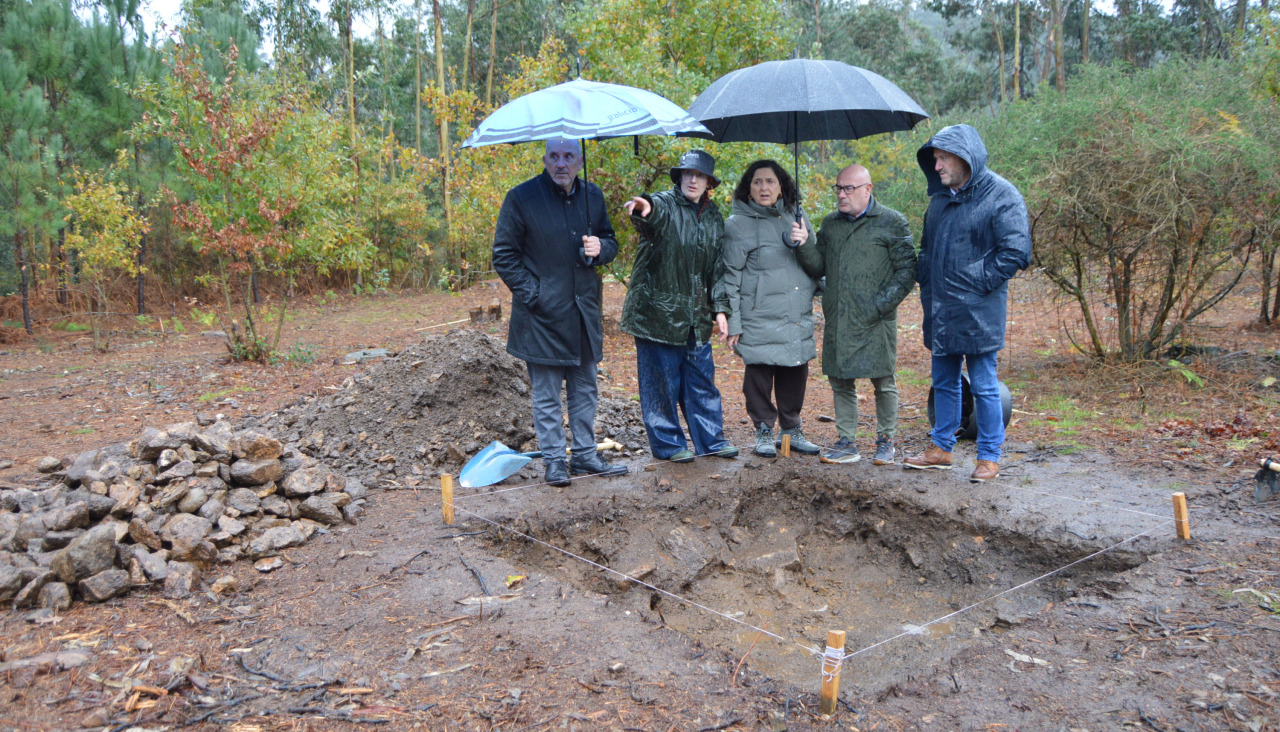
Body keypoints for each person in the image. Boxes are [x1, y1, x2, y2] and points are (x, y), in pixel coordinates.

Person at [492, 139, 628, 487]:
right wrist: (535, 295)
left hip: (584, 313)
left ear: (579, 160)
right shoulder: (521, 198)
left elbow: (610, 241)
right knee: (547, 394)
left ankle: (584, 454)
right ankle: (554, 460)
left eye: (568, 156)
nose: (561, 163)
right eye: (554, 156)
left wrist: (601, 249)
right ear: (545, 159)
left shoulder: (592, 196)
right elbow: (504, 255)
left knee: (585, 390)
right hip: (540, 319)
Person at [904, 124, 1032, 483]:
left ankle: (989, 456)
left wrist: (977, 282)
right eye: (935, 159)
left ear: (965, 158)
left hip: (979, 311)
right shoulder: (939, 202)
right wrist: (926, 282)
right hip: (941, 310)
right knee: (943, 381)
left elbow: (1016, 252)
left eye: (944, 158)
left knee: (984, 384)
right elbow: (927, 251)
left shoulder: (1002, 195)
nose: (938, 166)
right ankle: (941, 448)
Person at [621, 150, 739, 463]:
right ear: (680, 177)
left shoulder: (714, 217)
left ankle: (711, 441)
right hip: (655, 315)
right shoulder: (665, 204)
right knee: (660, 384)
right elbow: (652, 211)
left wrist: (721, 310)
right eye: (687, 173)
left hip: (695, 316)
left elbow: (716, 271)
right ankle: (669, 446)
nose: (692, 179)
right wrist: (643, 208)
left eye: (699, 175)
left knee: (702, 381)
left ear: (709, 182)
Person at [811, 164, 917, 465]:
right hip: (840, 316)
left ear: (868, 189)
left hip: (876, 319)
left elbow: (908, 270)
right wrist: (802, 242)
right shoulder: (831, 224)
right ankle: (847, 442)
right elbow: (818, 267)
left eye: (849, 189)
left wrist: (879, 306)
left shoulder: (891, 222)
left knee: (883, 380)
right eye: (838, 188)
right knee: (841, 380)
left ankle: (886, 441)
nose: (842, 195)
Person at [720, 160, 823, 458]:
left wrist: (804, 243)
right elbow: (731, 278)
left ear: (781, 187)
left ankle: (791, 429)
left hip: (795, 314)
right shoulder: (737, 225)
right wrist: (734, 322)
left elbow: (816, 263)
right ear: (748, 189)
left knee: (795, 372)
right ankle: (764, 429)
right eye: (757, 182)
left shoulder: (797, 217)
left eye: (770, 182)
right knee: (759, 377)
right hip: (758, 317)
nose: (764, 187)